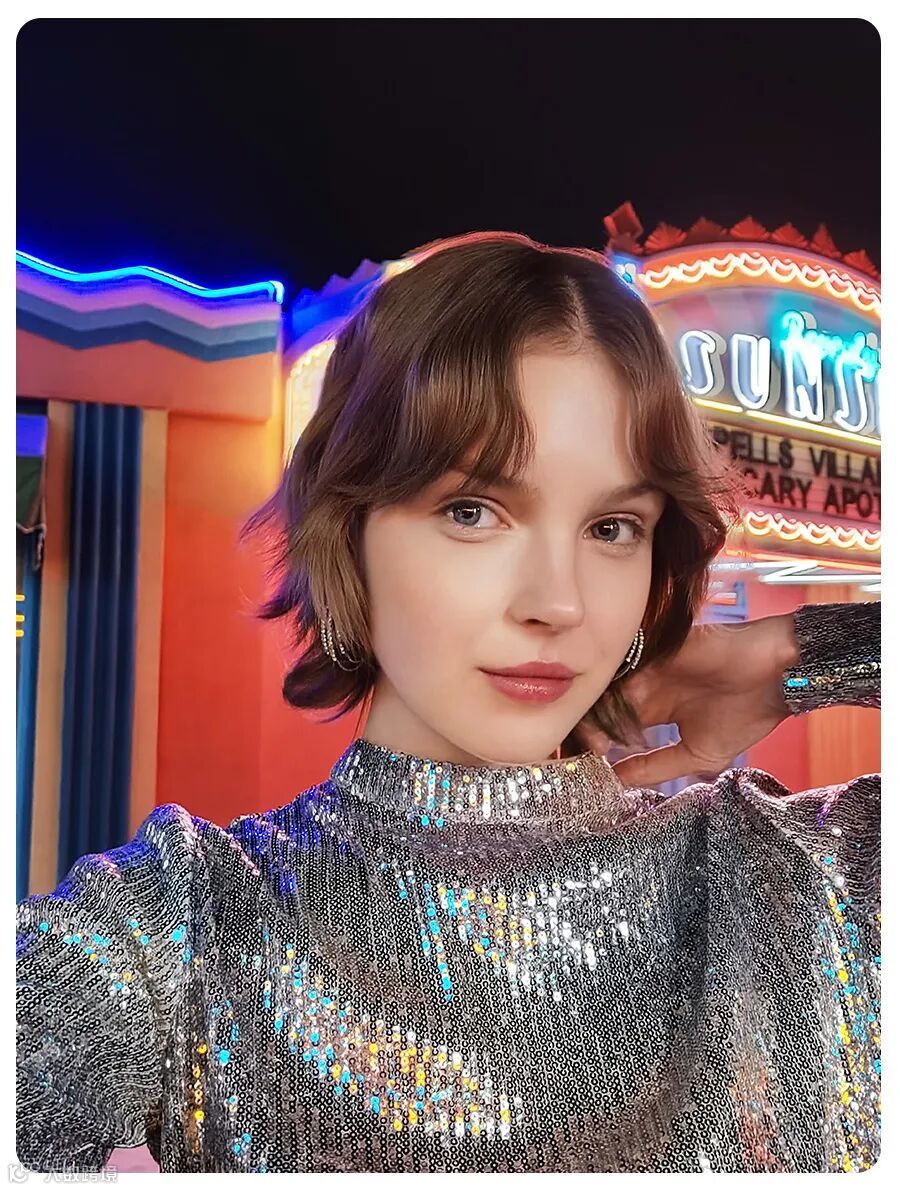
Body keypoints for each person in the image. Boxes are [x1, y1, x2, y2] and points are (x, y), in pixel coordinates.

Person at [16, 232, 880, 1173]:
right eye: (473, 511)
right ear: (349, 528)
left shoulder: (797, 879)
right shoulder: (182, 926)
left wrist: (807, 656)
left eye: (612, 527)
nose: (558, 603)